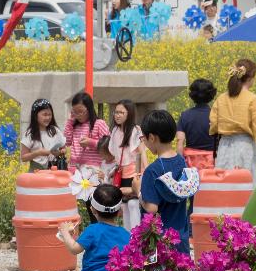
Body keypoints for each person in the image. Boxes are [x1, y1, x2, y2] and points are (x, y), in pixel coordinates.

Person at [140, 110, 200, 254]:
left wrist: (138, 192)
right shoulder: (181, 161)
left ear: (152, 137)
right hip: (181, 235)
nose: (145, 143)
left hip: (159, 240)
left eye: (144, 139)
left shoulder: (152, 171)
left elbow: (151, 209)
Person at [211, 58, 256, 184]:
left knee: (225, 187)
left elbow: (213, 125)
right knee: (246, 186)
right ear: (251, 78)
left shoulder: (221, 98)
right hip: (245, 147)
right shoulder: (252, 99)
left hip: (224, 147)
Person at [107, 99, 145, 229]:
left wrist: (143, 173)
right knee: (124, 205)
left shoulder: (135, 130)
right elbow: (113, 154)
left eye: (121, 112)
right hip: (121, 173)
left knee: (133, 204)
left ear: (129, 114)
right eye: (116, 112)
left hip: (134, 172)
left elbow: (142, 152)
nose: (117, 115)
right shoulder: (115, 131)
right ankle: (128, 238)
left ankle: (135, 237)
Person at [176, 78, 218, 170]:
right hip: (213, 162)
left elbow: (180, 141)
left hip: (191, 163)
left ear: (192, 95)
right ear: (211, 94)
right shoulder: (216, 115)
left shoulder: (185, 115)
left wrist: (179, 165)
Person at [64, 91, 109, 170]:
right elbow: (67, 142)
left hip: (93, 168)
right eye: (75, 112)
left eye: (81, 111)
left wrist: (91, 142)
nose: (78, 115)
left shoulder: (99, 124)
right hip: (75, 167)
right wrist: (70, 122)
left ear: (89, 109)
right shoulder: (74, 126)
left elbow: (108, 145)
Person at [20, 98, 68, 171]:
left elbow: (63, 148)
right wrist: (38, 153)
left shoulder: (55, 131)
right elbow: (23, 157)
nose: (48, 117)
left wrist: (61, 152)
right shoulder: (30, 134)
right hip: (36, 172)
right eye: (44, 115)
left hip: (54, 170)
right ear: (35, 115)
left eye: (50, 115)